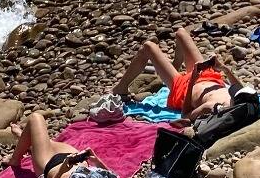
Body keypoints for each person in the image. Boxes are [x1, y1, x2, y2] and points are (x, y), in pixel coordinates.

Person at [92, 28, 240, 125]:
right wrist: (224, 68)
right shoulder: (243, 97)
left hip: (184, 88)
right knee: (181, 32)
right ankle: (175, 66)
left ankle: (121, 88)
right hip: (209, 76)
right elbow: (239, 86)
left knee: (148, 46)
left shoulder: (213, 107)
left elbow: (185, 114)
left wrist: (192, 80)